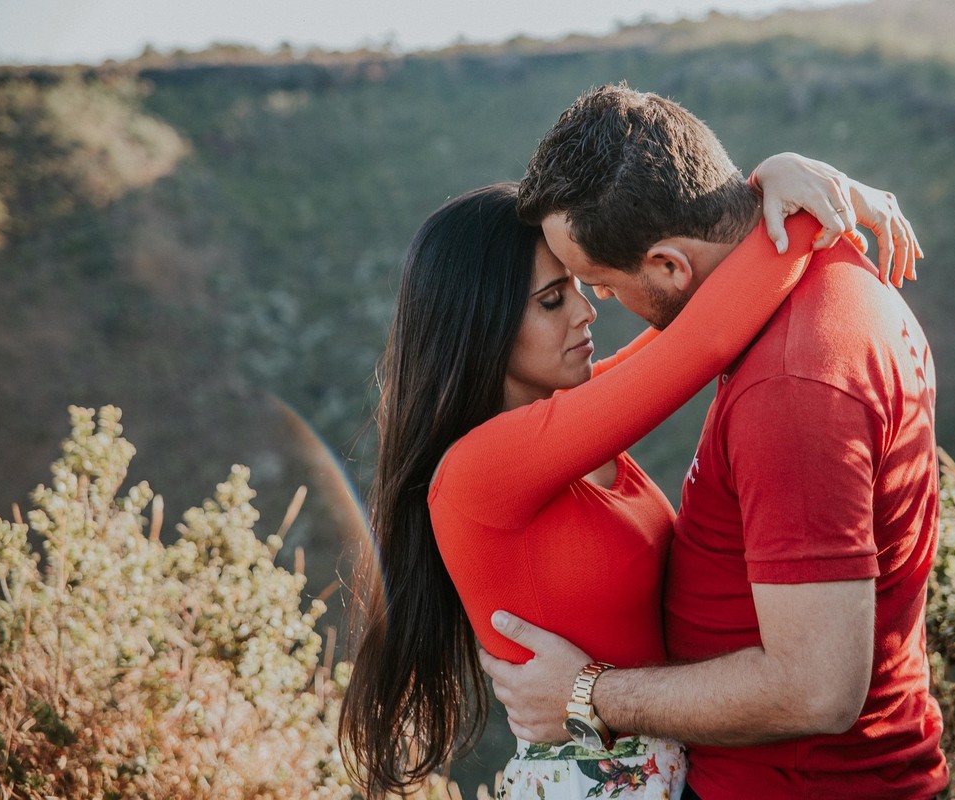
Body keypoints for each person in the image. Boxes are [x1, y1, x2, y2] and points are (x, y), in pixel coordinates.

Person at [335, 150, 921, 797]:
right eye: (553, 300)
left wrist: (770, 182)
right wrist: (810, 208)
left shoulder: (570, 425)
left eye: (583, 288)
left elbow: (694, 325)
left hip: (665, 769)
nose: (587, 314)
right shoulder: (481, 469)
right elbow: (703, 342)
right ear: (481, 326)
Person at [480, 84, 948, 799]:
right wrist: (771, 174)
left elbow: (818, 689)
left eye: (602, 284)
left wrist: (588, 695)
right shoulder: (822, 263)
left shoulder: (793, 387)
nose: (595, 307)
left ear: (669, 265)